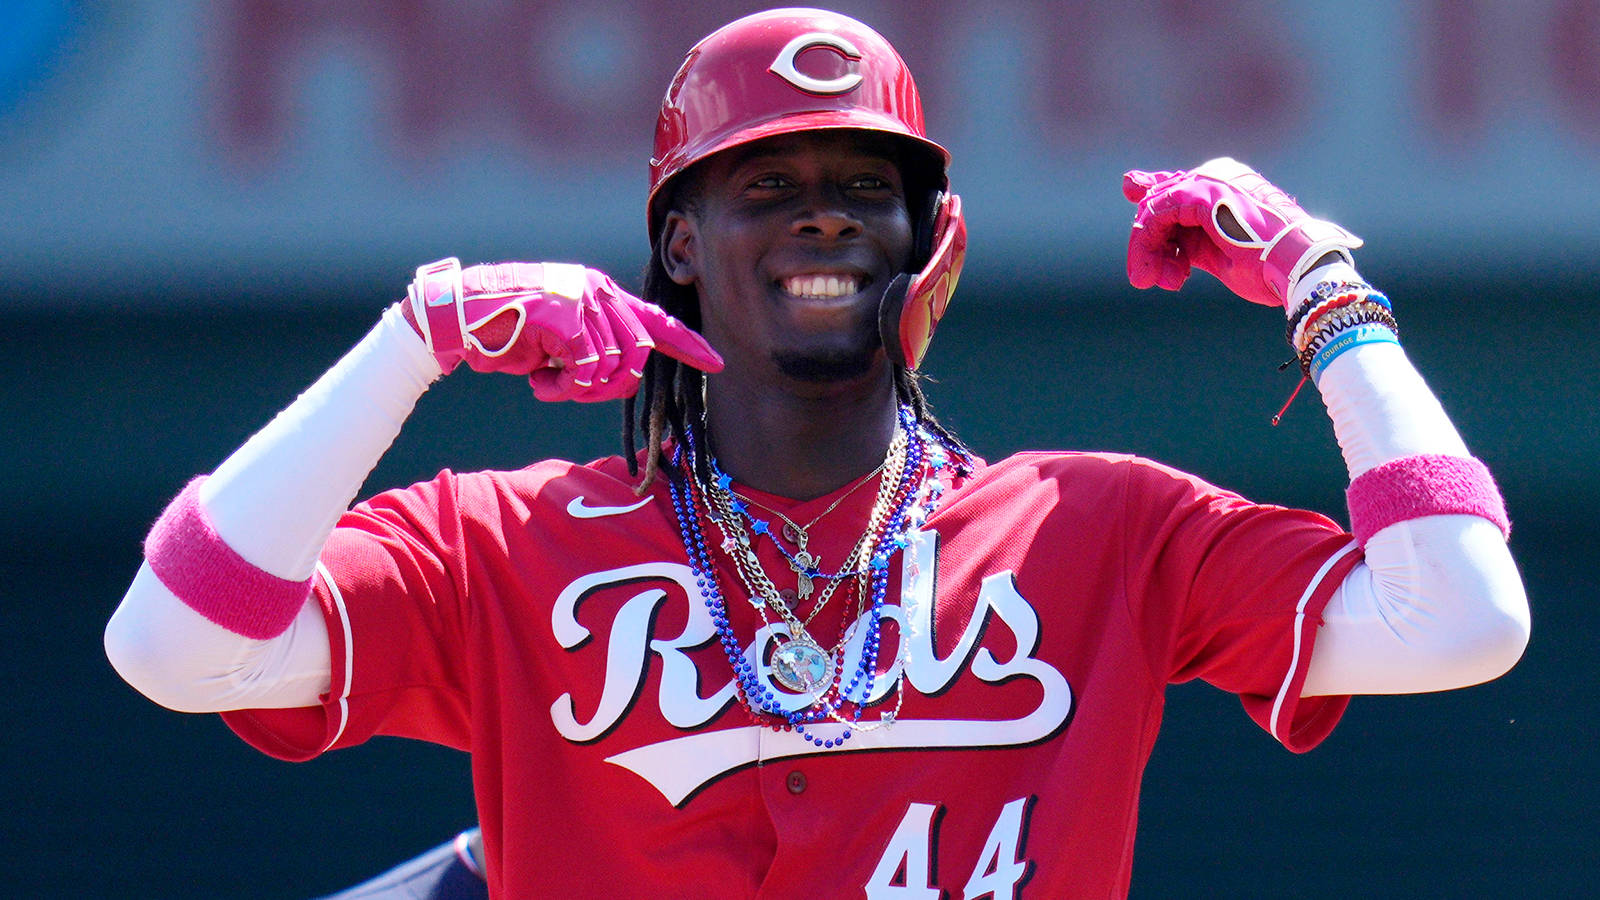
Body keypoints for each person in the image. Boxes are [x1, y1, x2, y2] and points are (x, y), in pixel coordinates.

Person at [105, 8, 1529, 898]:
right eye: (767, 186)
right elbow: (174, 646)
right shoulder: (502, 541)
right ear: (678, 241)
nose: (826, 218)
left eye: (867, 188)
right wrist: (410, 338)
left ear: (932, 244)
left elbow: (1461, 617)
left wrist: (1326, 288)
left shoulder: (1098, 529)